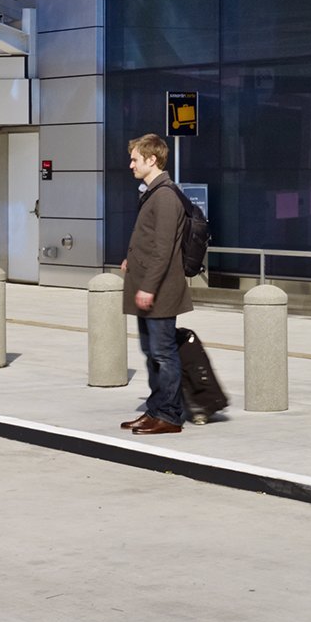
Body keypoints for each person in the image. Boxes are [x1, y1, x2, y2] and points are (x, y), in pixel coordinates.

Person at [118, 132, 190, 436]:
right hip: (149, 284)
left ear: (152, 159)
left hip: (160, 290)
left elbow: (163, 248)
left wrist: (148, 287)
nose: (131, 164)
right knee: (151, 352)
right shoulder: (152, 192)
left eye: (135, 158)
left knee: (163, 353)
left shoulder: (165, 195)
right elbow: (150, 240)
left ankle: (170, 415)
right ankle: (156, 409)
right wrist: (130, 259)